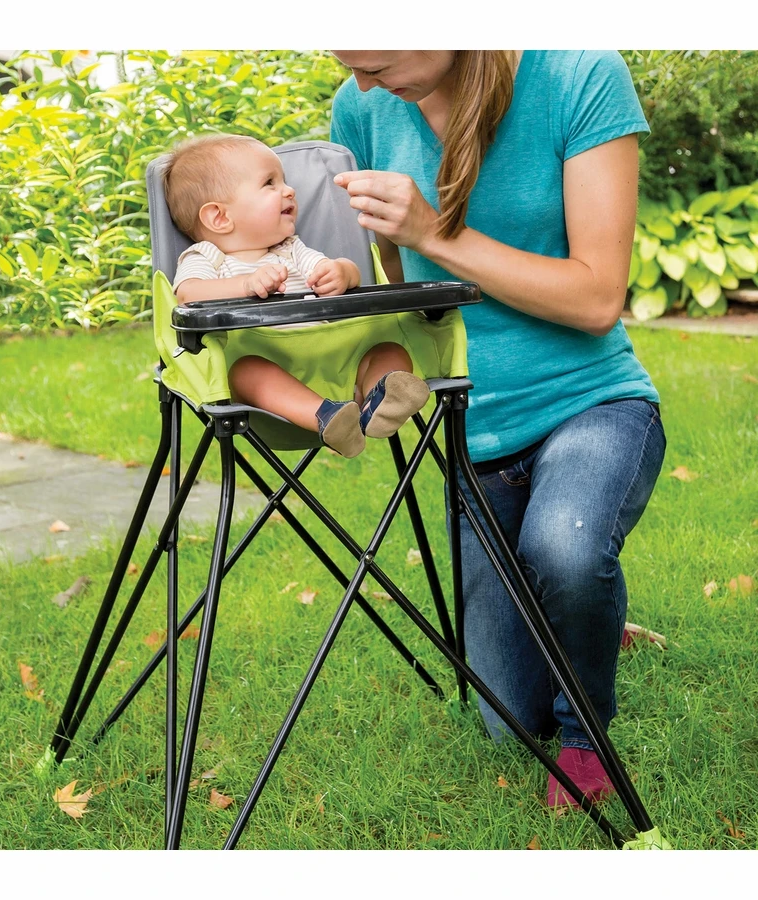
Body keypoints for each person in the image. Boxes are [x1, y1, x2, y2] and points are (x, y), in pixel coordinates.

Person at [330, 51, 666, 807]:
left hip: (592, 401)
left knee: (566, 545)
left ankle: (588, 732)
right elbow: (391, 286)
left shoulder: (578, 73)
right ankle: (589, 611)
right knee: (507, 716)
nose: (362, 86)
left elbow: (597, 298)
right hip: (473, 432)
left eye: (376, 63)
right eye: (347, 64)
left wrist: (432, 229)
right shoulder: (364, 107)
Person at [163, 133, 430, 458]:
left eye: (284, 181)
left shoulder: (292, 249)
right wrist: (246, 285)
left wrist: (343, 272)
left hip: (336, 358)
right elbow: (188, 295)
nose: (288, 190)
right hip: (267, 367)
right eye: (269, 183)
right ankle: (328, 417)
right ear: (220, 217)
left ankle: (380, 398)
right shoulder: (207, 257)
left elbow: (334, 267)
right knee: (246, 372)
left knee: (387, 348)